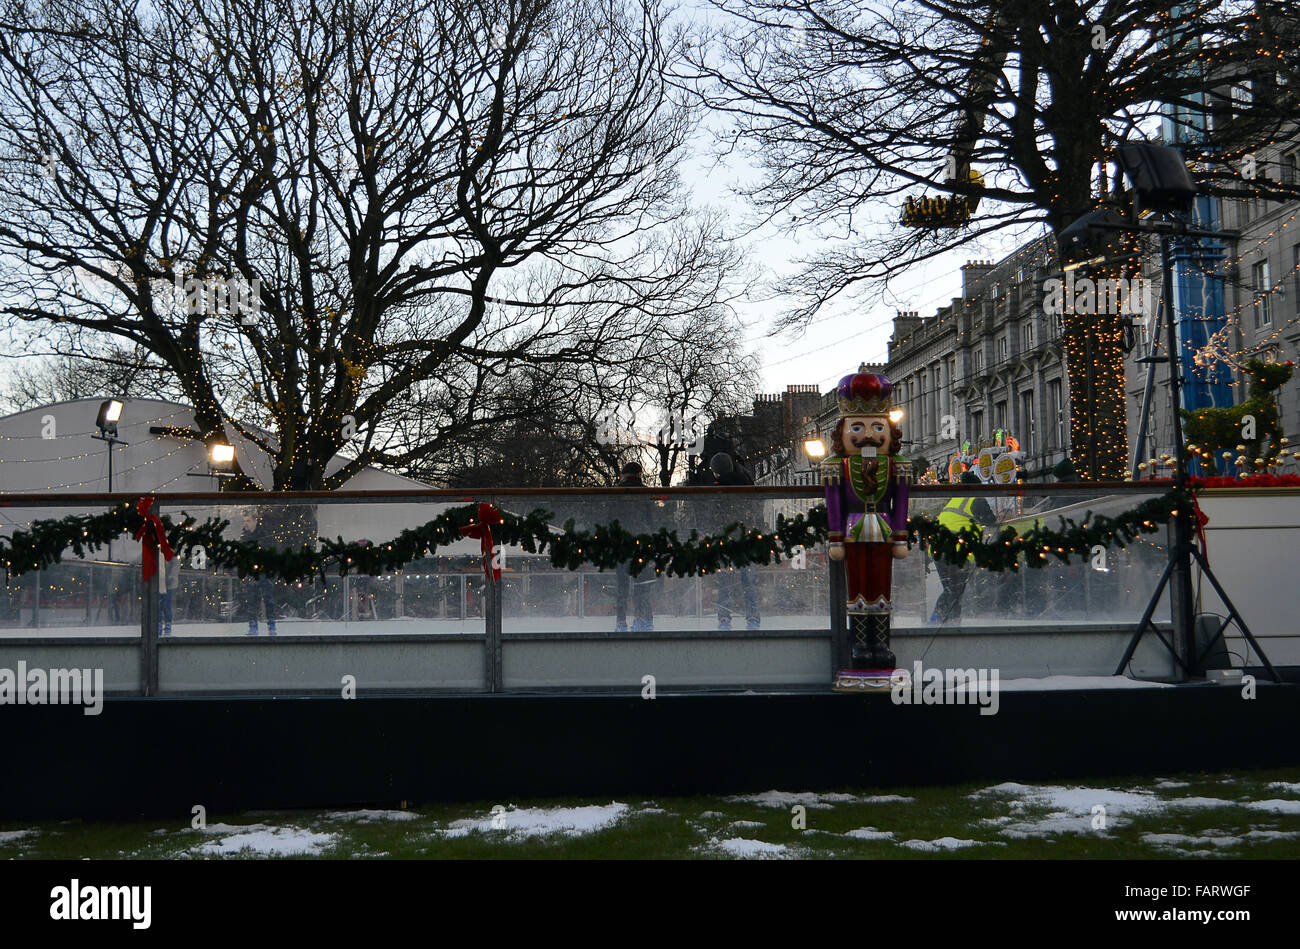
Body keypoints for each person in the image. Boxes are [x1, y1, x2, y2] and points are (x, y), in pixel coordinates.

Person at [821, 371, 912, 689]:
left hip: (884, 531)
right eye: (857, 427)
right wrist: (835, 537)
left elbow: (901, 503)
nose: (869, 435)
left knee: (882, 589)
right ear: (843, 431)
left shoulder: (898, 465)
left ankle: (881, 646)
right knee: (857, 589)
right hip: (853, 530)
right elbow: (834, 505)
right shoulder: (836, 467)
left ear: (889, 430)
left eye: (877, 427)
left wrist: (901, 535)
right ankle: (861, 646)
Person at [930, 470, 996, 626]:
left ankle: (936, 620)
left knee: (950, 588)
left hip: (938, 550)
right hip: (956, 551)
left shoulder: (954, 500)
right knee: (955, 590)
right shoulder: (976, 500)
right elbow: (990, 520)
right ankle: (951, 622)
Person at [709, 452, 761, 630]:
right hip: (746, 535)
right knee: (748, 580)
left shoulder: (720, 486)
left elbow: (716, 513)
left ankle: (724, 617)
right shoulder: (745, 479)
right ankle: (753, 617)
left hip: (728, 536)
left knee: (725, 579)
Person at [613, 462, 656, 632]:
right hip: (641, 545)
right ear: (639, 474)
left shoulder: (615, 493)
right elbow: (650, 521)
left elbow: (611, 519)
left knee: (622, 586)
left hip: (622, 545)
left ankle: (621, 621)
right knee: (642, 585)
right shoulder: (644, 493)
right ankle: (643, 618)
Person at [240, 510, 277, 636]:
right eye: (245, 521)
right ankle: (253, 626)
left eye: (248, 520)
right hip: (252, 572)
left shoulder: (264, 534)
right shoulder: (244, 535)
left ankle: (271, 625)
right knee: (251, 599)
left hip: (265, 571)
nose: (246, 524)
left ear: (255, 521)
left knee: (268, 599)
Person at [158, 551, 181, 637]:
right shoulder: (158, 549)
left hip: (169, 584)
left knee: (165, 604)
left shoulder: (172, 552)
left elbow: (175, 566)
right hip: (160, 583)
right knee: (159, 605)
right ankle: (159, 624)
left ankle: (167, 625)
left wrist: (171, 577)